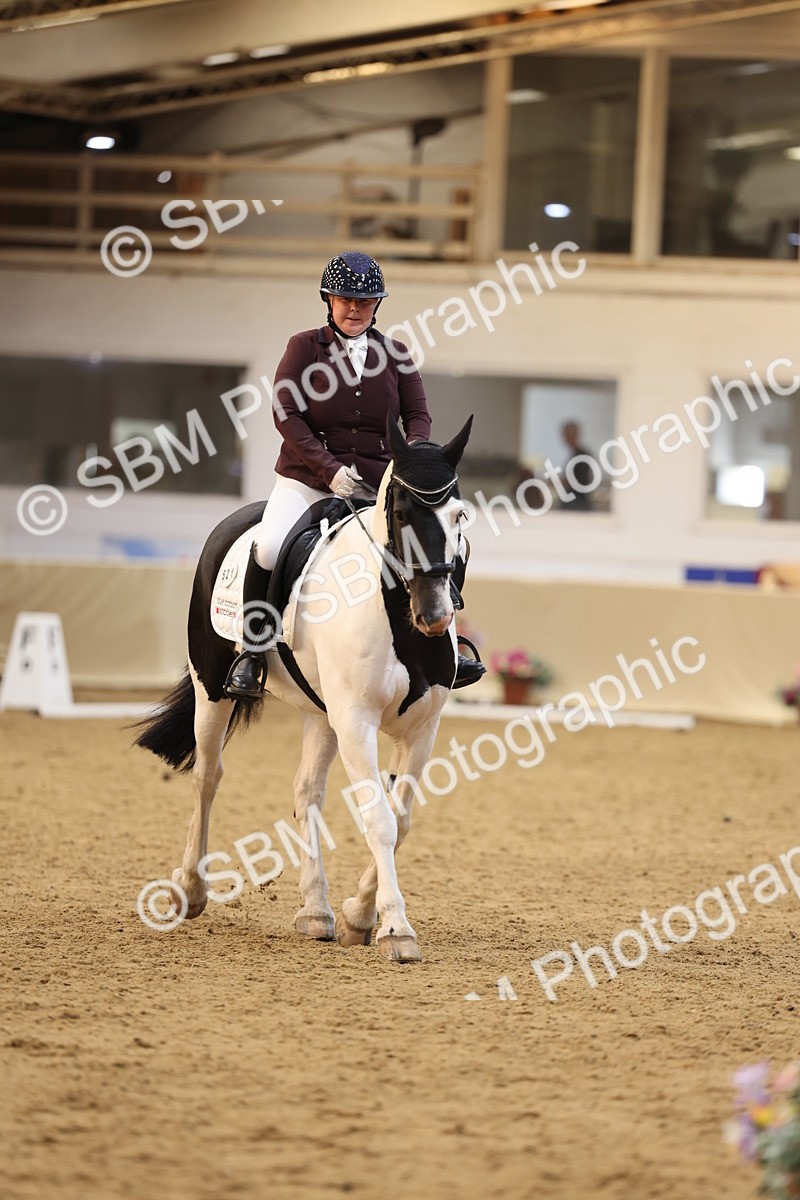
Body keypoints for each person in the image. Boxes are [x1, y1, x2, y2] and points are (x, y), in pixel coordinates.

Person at [225, 250, 485, 698]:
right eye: (345, 299)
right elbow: (286, 412)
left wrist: (415, 458)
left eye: (364, 302)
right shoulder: (304, 347)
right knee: (268, 546)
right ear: (328, 299)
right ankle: (251, 650)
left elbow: (417, 415)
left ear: (377, 305)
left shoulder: (396, 354)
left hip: (378, 485)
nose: (353, 309)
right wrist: (328, 470)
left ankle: (447, 645)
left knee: (445, 542)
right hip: (305, 480)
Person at [559, 420, 595, 512]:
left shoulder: (582, 456)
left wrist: (561, 481)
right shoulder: (576, 455)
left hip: (577, 503)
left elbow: (579, 481)